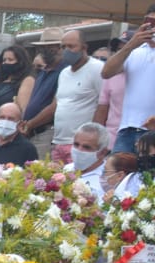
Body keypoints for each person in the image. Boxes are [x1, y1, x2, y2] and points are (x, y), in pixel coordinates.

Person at [45, 29, 103, 165]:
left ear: (84, 48)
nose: (66, 51)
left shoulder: (97, 69)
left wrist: (93, 137)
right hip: (59, 142)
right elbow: (56, 104)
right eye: (63, 47)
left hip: (80, 146)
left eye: (71, 46)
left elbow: (104, 105)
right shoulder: (64, 73)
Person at [102, 7, 155, 155]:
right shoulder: (136, 51)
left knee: (148, 177)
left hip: (152, 133)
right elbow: (106, 72)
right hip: (126, 129)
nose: (151, 27)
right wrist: (131, 44)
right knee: (117, 176)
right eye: (148, 21)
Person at [21, 28, 66, 156]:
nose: (43, 51)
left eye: (48, 47)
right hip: (32, 132)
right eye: (42, 48)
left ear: (59, 48)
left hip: (46, 132)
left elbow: (54, 107)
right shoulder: (43, 72)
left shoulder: (64, 71)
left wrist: (29, 124)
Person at [0, 45, 35, 132]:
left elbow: (21, 111)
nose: (6, 63)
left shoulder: (27, 80)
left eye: (10, 60)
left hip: (10, 130)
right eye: (4, 60)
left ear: (20, 62)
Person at [0, 102, 38, 167]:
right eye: (2, 117)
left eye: (11, 119)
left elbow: (32, 174)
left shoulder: (28, 148)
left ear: (19, 124)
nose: (5, 122)